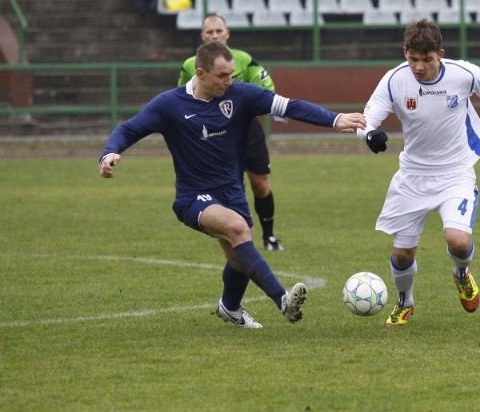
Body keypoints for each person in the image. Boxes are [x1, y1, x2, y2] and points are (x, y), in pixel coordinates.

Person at [99, 41, 367, 329]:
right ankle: (283, 301)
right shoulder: (170, 105)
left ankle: (229, 307)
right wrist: (111, 151)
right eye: (222, 76)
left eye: (232, 74)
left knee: (239, 256)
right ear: (200, 73)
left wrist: (335, 119)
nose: (230, 81)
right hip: (193, 197)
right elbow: (129, 128)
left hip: (232, 192)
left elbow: (290, 106)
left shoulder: (241, 95)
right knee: (238, 229)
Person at [358, 20, 480, 327]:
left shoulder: (461, 73)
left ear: (440, 53)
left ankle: (462, 274)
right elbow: (367, 119)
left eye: (427, 60)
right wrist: (370, 135)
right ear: (405, 53)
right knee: (401, 254)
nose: (419, 67)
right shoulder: (394, 80)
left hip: (455, 173)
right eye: (413, 59)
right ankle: (404, 302)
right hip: (413, 177)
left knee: (458, 242)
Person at [179, 14, 284, 252]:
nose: (215, 35)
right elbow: (181, 98)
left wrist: (246, 104)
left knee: (260, 184)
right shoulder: (189, 65)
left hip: (246, 129)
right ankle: (237, 238)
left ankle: (269, 236)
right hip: (215, 134)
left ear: (227, 34)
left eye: (219, 31)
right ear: (202, 37)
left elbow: (267, 89)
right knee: (229, 184)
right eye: (209, 32)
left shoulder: (243, 60)